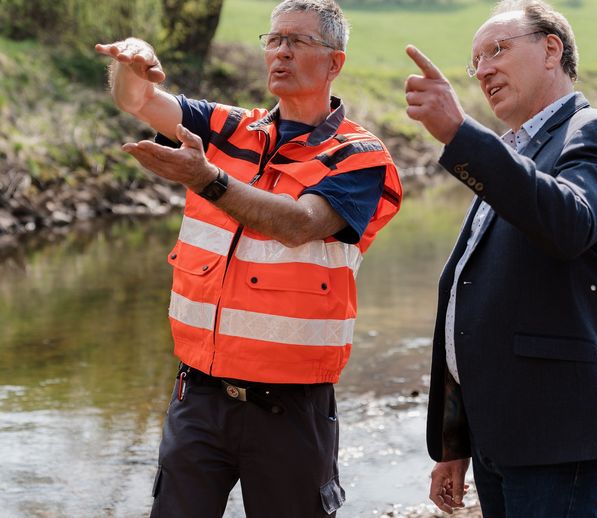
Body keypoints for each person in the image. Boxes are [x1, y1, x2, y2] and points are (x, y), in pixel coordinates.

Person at [95, 1, 402, 516]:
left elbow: (299, 224)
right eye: (274, 39)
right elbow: (140, 100)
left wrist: (204, 178)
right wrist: (130, 64)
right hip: (199, 393)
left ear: (334, 62)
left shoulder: (359, 157)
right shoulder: (226, 126)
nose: (280, 52)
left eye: (298, 42)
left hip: (292, 407)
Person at [403, 0, 597, 516]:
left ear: (551, 51)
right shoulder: (515, 156)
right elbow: (468, 302)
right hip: (499, 435)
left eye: (497, 49)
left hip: (556, 433)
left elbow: (570, 224)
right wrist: (454, 442)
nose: (484, 69)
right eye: (476, 62)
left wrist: (460, 135)